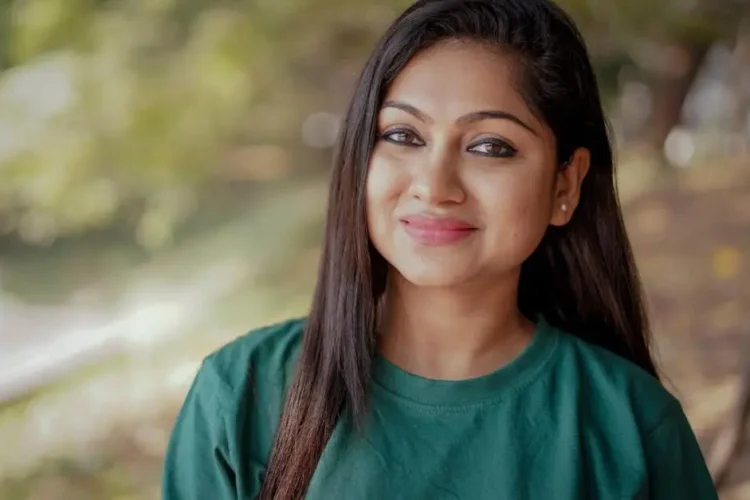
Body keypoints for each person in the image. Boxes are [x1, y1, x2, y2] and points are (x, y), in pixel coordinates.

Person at [162, 0, 719, 498]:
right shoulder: (240, 396)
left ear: (564, 185)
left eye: (490, 146)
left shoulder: (633, 428)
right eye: (403, 136)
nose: (435, 185)